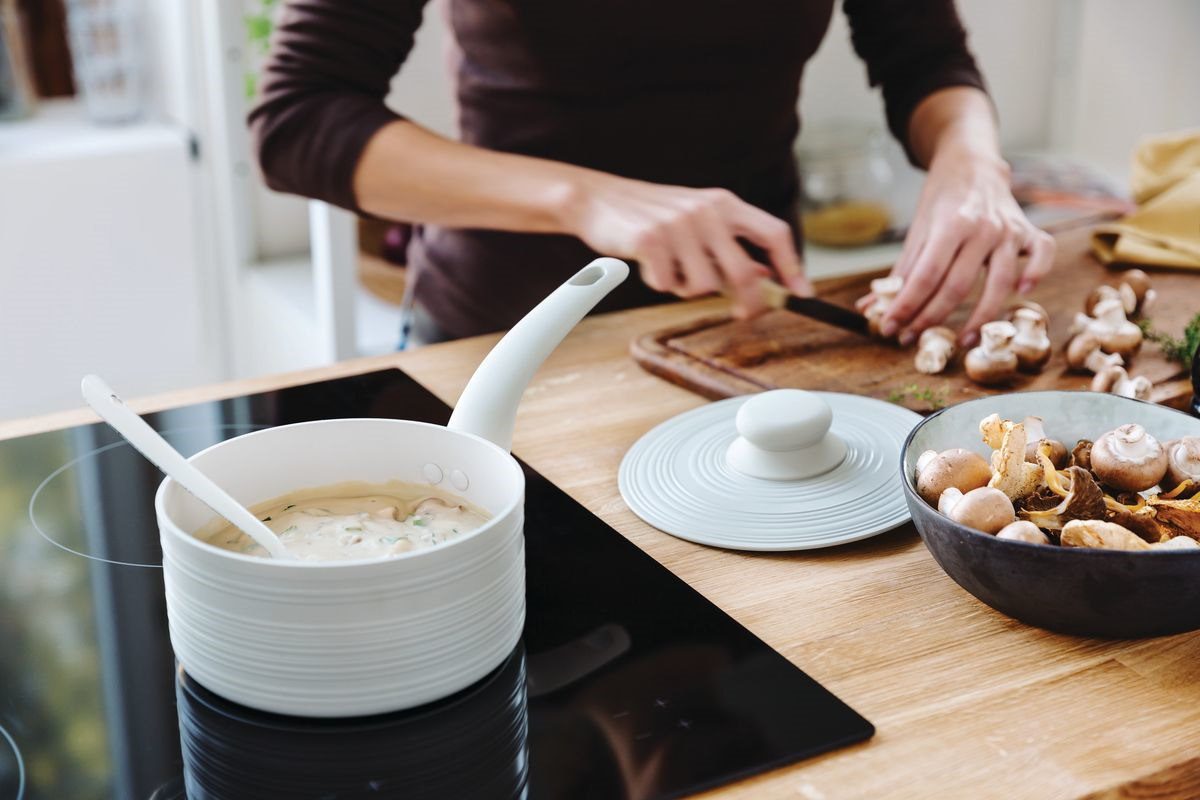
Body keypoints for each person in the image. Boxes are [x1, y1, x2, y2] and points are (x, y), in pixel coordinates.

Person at [250, 0, 1054, 349]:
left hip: (743, 329)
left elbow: (926, 58)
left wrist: (972, 162)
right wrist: (587, 197)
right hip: (514, 338)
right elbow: (298, 119)